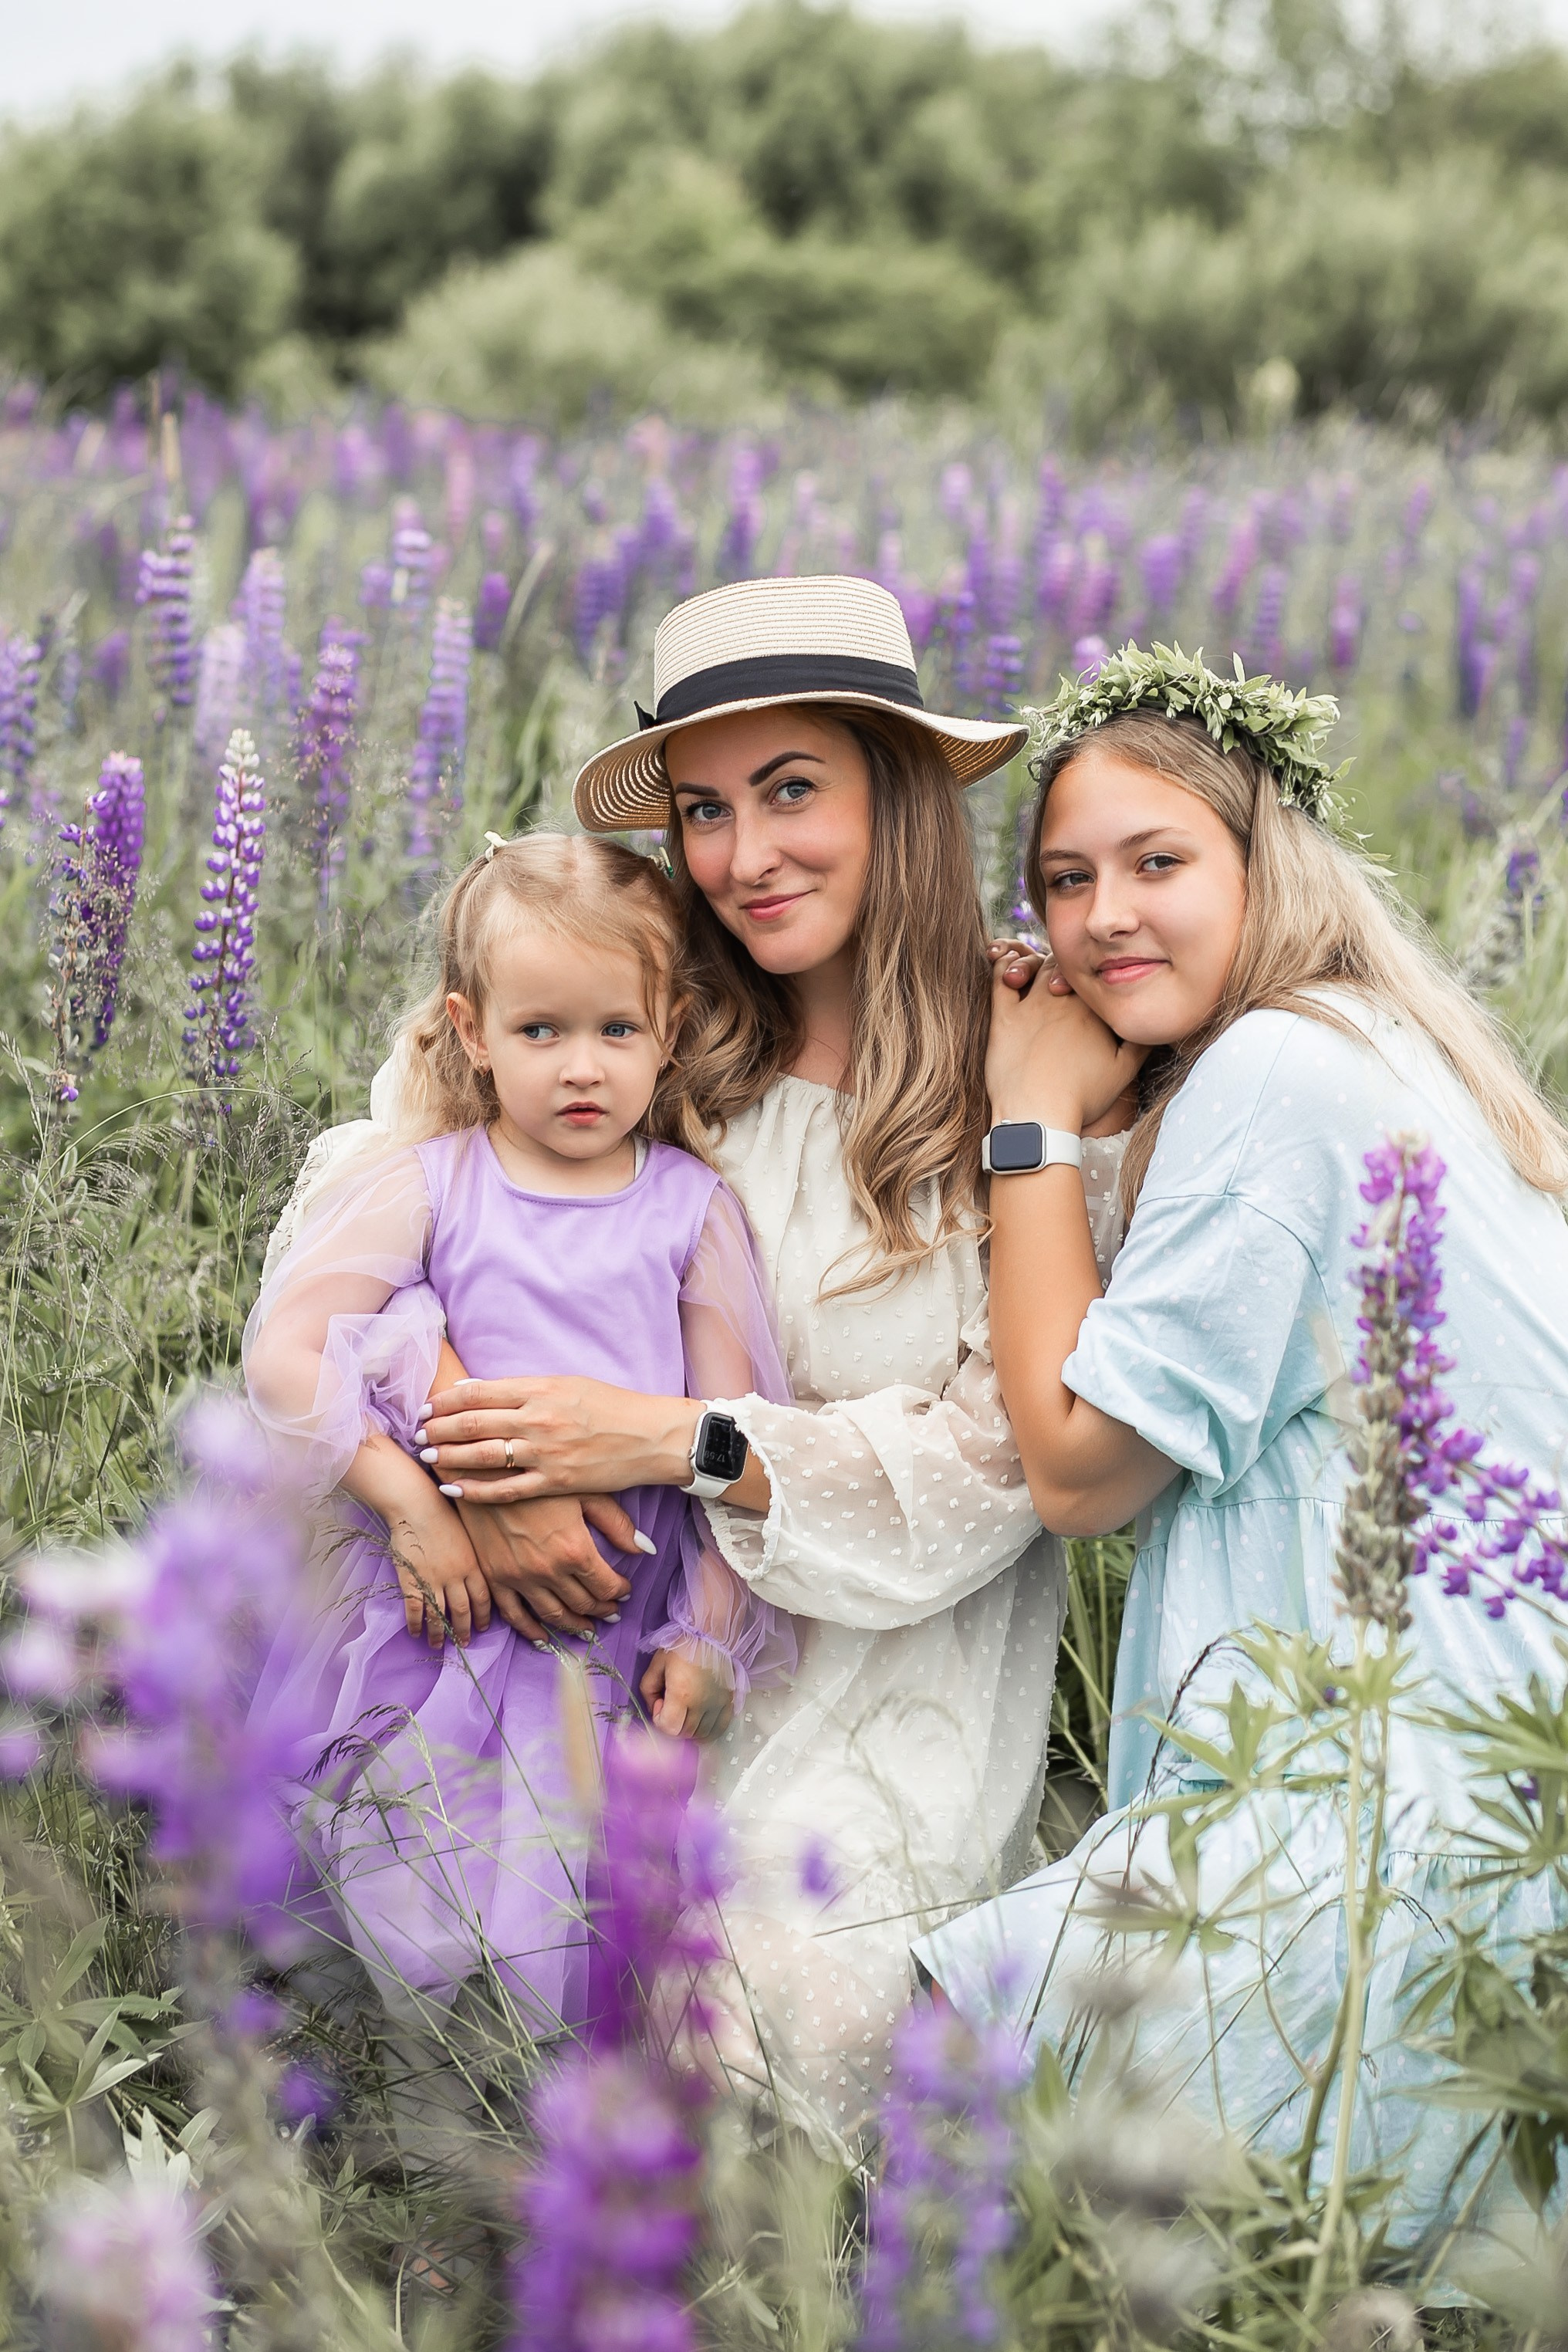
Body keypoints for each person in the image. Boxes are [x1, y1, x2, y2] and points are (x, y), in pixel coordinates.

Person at [390, 575, 1134, 2152]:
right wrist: (481, 1471)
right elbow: (370, 1195)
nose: (741, 856)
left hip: (887, 1677)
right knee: (467, 1928)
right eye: (707, 810)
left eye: (792, 789)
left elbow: (1004, 1460)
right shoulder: (655, 1027)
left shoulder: (1029, 1058)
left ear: (900, 787)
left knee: (747, 1997)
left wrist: (676, 1440)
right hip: (602, 1634)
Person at [914, 644, 1568, 2236]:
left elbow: (1075, 1465)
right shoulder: (1369, 1039)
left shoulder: (1277, 1071)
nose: (1101, 917)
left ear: (1262, 860)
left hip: (1387, 1792)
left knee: (941, 2057)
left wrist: (1028, 1126)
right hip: (1489, 1775)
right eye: (1062, 881)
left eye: (1157, 863)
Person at [245, 831, 794, 2142]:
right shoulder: (434, 1183)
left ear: (671, 1032)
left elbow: (734, 1433)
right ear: (471, 1031)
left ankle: (523, 2141)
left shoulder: (688, 1208)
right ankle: (410, 2116)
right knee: (404, 1848)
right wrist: (407, 1495)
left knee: (564, 1889)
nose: (583, 1064)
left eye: (617, 1028)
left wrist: (711, 1633)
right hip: (440, 1610)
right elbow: (288, 1351)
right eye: (541, 1029)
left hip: (605, 1625)